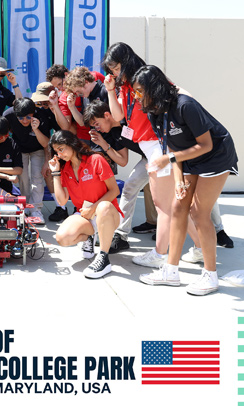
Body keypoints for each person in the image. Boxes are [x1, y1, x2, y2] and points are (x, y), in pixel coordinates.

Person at [132, 65, 238, 296]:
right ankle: (170, 271)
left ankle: (210, 276)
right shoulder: (154, 112)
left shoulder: (185, 105)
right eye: (135, 92)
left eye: (139, 91)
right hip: (189, 156)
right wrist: (178, 180)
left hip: (215, 156)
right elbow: (174, 147)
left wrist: (168, 159)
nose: (136, 97)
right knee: (178, 207)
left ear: (153, 87)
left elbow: (206, 145)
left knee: (199, 214)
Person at [103, 42, 175, 268]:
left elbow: (174, 94)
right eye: (111, 69)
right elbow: (118, 117)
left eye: (115, 67)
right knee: (167, 200)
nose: (113, 72)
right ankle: (191, 248)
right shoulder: (123, 86)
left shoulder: (145, 79)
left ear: (125, 62)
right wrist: (110, 90)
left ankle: (162, 254)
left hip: (158, 145)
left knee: (166, 203)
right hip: (148, 148)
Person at [49, 131, 123, 278]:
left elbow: (114, 191)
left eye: (61, 148)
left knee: (103, 207)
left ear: (72, 144)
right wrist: (56, 173)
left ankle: (103, 257)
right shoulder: (65, 169)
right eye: (56, 150)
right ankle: (89, 235)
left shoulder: (95, 159)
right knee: (62, 238)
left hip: (108, 213)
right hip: (85, 215)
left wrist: (93, 208)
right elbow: (62, 201)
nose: (59, 153)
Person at [83, 100, 147, 254]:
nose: (96, 128)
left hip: (167, 153)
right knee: (129, 186)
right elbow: (123, 161)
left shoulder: (128, 116)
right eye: (94, 126)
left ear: (107, 115)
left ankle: (216, 229)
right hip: (149, 159)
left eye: (97, 123)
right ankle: (120, 236)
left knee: (190, 195)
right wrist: (103, 143)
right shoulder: (112, 133)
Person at [4, 98, 51, 224]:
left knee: (37, 178)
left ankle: (36, 209)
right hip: (20, 149)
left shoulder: (41, 116)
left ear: (34, 112)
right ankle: (25, 207)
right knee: (23, 179)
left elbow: (46, 143)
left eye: (28, 117)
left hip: (38, 149)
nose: (25, 121)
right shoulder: (8, 115)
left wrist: (36, 129)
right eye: (21, 118)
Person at [31, 82, 74, 222]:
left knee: (76, 174)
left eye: (45, 103)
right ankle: (60, 207)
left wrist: (55, 107)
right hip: (58, 147)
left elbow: (66, 128)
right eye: (40, 103)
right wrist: (46, 161)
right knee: (49, 171)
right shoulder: (40, 111)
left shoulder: (63, 104)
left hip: (77, 144)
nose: (43, 106)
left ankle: (79, 207)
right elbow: (47, 141)